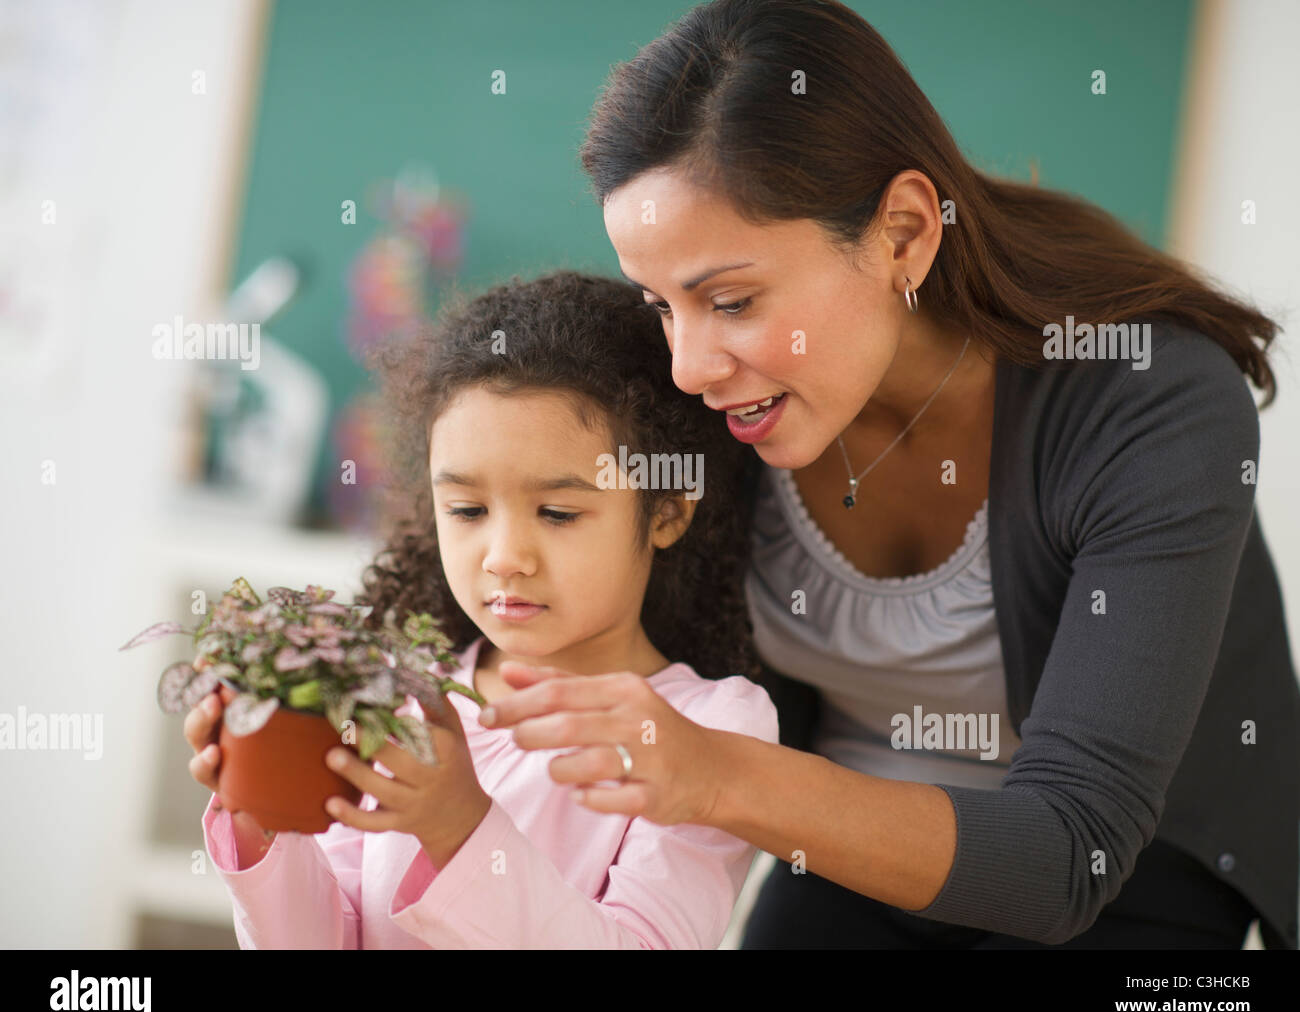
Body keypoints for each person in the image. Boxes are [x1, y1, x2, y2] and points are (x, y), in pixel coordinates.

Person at [474, 0, 1299, 949]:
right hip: (853, 856)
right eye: (660, 304)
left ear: (904, 233)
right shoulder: (712, 400)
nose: (688, 369)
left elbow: (1073, 854)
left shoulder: (1151, 403)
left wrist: (718, 773)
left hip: (1128, 882)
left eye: (733, 300)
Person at [183, 271, 779, 948]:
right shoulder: (401, 692)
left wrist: (460, 829)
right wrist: (265, 821)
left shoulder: (710, 729)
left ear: (666, 511)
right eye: (466, 510)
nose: (503, 556)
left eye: (557, 512)